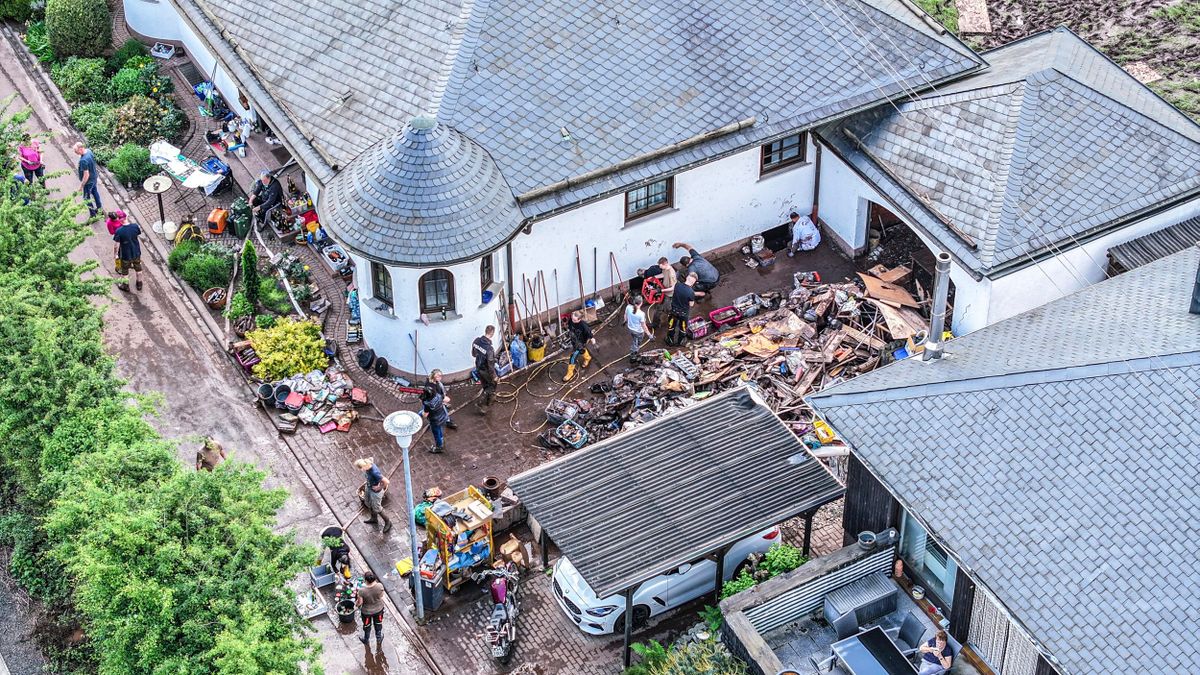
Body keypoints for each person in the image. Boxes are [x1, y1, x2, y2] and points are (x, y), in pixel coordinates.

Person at [420, 369, 454, 454]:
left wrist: (423, 412)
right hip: (442, 415)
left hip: (434, 419)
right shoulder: (439, 396)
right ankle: (441, 440)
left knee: (436, 432)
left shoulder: (427, 403)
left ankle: (439, 447)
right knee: (439, 431)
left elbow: (425, 414)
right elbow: (447, 399)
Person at [354, 457, 392, 533]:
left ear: (364, 466)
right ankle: (374, 518)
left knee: (377, 508)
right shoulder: (368, 463)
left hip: (375, 493)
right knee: (368, 503)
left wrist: (379, 487)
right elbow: (371, 458)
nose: (361, 470)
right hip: (369, 487)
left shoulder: (374, 472)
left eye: (361, 468)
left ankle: (388, 522)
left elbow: (386, 481)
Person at [643, 257, 676, 328]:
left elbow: (673, 287)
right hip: (664, 291)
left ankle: (674, 323)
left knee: (668, 310)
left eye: (661, 266)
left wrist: (660, 291)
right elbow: (663, 275)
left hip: (669, 295)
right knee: (658, 308)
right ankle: (655, 324)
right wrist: (654, 277)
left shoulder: (671, 274)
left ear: (665, 264)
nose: (661, 268)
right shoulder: (665, 269)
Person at [471, 326, 498, 414]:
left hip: (478, 367)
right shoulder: (489, 349)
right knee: (491, 386)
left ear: (485, 331)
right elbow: (490, 365)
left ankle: (491, 398)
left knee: (485, 384)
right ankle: (482, 405)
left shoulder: (476, 341)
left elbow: (474, 354)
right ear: (492, 333)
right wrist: (494, 376)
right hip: (486, 370)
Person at [355, 571, 386, 646]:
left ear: (365, 580)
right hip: (379, 610)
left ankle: (366, 640)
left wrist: (356, 605)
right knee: (378, 623)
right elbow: (381, 596)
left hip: (367, 612)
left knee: (367, 626)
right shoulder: (379, 586)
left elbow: (360, 603)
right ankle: (379, 639)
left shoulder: (362, 591)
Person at [665, 273, 697, 346]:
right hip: (683, 314)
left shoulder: (677, 285)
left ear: (687, 278)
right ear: (693, 283)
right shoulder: (691, 292)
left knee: (671, 326)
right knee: (682, 327)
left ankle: (670, 340)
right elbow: (691, 304)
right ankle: (681, 341)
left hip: (673, 311)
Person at [564, 310, 596, 382]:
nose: (573, 320)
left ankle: (570, 373)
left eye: (575, 320)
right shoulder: (571, 320)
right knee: (582, 350)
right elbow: (569, 326)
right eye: (572, 318)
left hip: (580, 343)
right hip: (573, 339)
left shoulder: (584, 326)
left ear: (580, 319)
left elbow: (590, 334)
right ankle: (588, 358)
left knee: (573, 357)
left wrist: (592, 339)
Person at [112, 219, 144, 291]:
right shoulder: (135, 226)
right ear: (126, 217)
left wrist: (115, 254)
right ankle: (139, 284)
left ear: (120, 220)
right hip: (136, 252)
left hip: (125, 255)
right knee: (138, 268)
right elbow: (138, 233)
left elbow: (116, 245)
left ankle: (125, 286)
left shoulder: (119, 231)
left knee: (125, 271)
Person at [74, 142, 101, 217]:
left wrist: (81, 186)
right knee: (95, 193)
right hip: (94, 177)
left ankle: (93, 214)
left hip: (88, 182)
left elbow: (86, 174)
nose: (75, 153)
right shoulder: (89, 151)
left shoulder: (83, 160)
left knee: (86, 198)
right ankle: (99, 209)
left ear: (80, 149)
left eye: (76, 151)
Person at [624, 295, 652, 362]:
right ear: (641, 303)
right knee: (636, 343)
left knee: (634, 340)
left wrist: (625, 321)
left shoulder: (628, 307)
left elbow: (625, 315)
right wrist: (649, 335)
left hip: (630, 328)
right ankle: (633, 356)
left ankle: (634, 352)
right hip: (638, 332)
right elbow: (644, 326)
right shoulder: (641, 314)